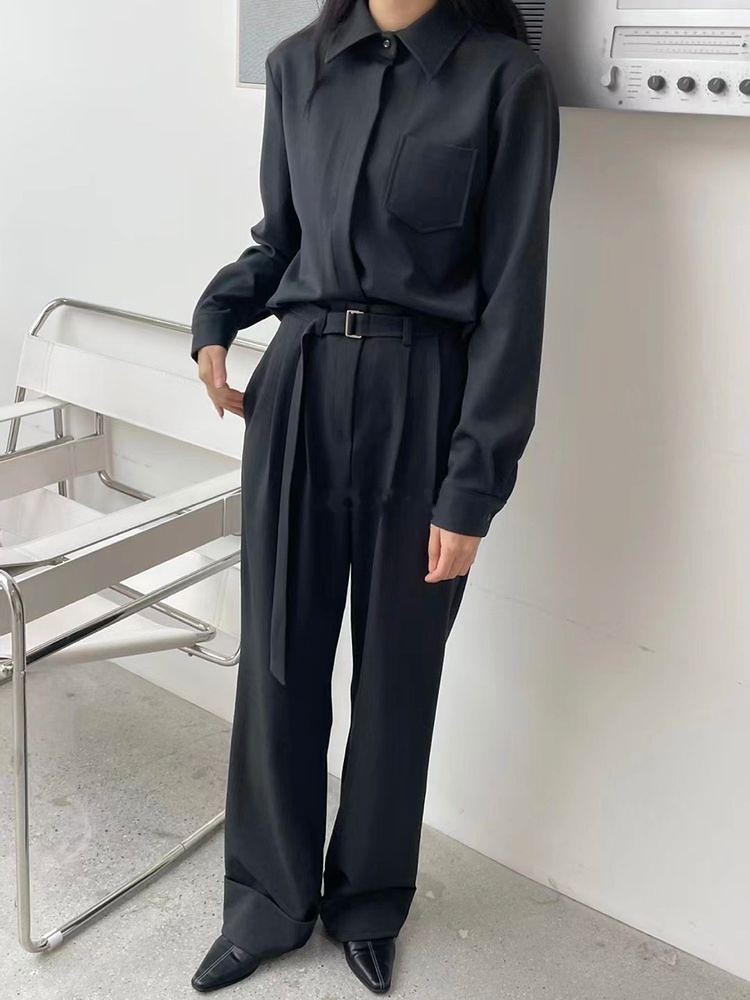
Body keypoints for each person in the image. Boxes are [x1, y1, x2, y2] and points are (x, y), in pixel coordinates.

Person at [188, 0, 560, 992]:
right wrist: (217, 319)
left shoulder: (505, 81)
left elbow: (515, 296)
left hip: (424, 399)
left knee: (399, 675)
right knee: (277, 660)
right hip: (299, 388)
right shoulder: (295, 66)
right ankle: (267, 902)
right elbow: (280, 240)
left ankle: (369, 900)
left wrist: (473, 485)